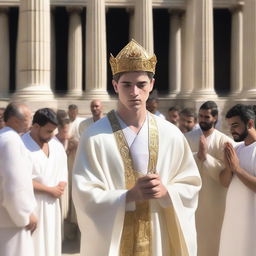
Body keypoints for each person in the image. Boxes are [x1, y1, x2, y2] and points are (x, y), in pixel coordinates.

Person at [72, 39, 201, 256]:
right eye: (126, 85)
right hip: (116, 237)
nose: (134, 92)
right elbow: (83, 193)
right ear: (115, 86)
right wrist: (127, 196)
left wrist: (168, 191)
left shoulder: (171, 134)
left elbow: (191, 183)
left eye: (141, 84)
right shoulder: (94, 137)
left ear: (151, 85)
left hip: (158, 233)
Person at [184, 101, 234, 256]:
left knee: (213, 241)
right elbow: (180, 162)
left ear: (215, 118)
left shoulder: (225, 142)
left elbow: (228, 172)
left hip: (215, 202)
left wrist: (206, 158)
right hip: (192, 198)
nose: (203, 120)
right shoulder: (186, 138)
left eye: (207, 117)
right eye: (200, 116)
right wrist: (197, 156)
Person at [22, 108, 68, 256]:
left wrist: (61, 186)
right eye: (48, 131)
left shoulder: (56, 145)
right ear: (36, 126)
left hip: (52, 207)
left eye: (53, 131)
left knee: (51, 244)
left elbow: (62, 173)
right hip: (31, 207)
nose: (52, 135)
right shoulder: (21, 146)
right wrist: (49, 190)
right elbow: (18, 180)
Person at [219, 104, 256, 256]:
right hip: (233, 220)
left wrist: (237, 169)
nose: (231, 130)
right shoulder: (237, 149)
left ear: (250, 123)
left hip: (252, 222)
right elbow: (224, 182)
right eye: (230, 126)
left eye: (235, 125)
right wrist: (229, 168)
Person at [0, 102, 37, 256]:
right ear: (15, 120)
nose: (30, 122)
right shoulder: (11, 141)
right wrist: (25, 215)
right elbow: (14, 185)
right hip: (12, 221)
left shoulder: (5, 138)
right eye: (28, 118)